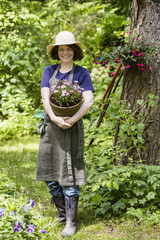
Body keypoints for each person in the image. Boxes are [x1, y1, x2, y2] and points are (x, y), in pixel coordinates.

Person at [37, 31, 94, 238]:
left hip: (71, 128)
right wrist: (54, 117)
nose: (65, 52)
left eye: (69, 49)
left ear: (75, 51)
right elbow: (45, 97)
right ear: (56, 52)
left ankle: (70, 223)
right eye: (61, 49)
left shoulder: (82, 73)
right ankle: (62, 215)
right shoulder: (48, 71)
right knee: (50, 175)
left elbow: (88, 101)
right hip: (51, 129)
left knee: (69, 175)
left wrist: (72, 119)